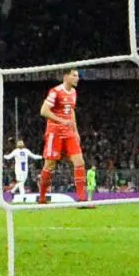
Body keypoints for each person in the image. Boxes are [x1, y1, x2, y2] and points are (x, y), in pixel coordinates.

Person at [38, 69, 87, 203]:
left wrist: (75, 131)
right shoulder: (55, 91)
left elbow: (71, 111)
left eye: (77, 76)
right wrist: (61, 121)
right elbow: (43, 111)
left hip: (69, 133)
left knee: (79, 162)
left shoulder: (73, 92)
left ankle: (82, 199)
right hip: (55, 133)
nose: (78, 78)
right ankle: (42, 198)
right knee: (49, 165)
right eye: (74, 75)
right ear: (66, 77)